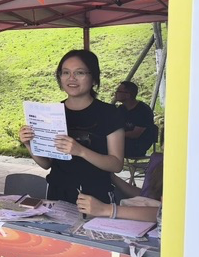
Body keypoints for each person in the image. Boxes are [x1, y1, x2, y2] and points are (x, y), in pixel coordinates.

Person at [19, 49, 124, 204]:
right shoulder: (51, 113)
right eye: (65, 72)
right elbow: (47, 164)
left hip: (95, 197)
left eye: (79, 73)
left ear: (94, 79)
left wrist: (80, 151)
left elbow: (116, 165)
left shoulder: (109, 113)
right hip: (57, 193)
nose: (71, 78)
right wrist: (29, 144)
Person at [115, 81, 157, 158]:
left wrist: (116, 135)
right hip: (123, 141)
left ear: (128, 95)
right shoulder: (121, 109)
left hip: (137, 145)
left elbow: (135, 134)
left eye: (119, 91)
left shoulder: (143, 110)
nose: (116, 93)